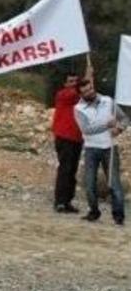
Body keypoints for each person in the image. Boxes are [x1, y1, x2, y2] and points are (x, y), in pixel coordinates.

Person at [74, 76, 128, 225]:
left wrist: (119, 128)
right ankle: (94, 212)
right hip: (91, 149)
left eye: (90, 88)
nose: (90, 92)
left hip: (109, 148)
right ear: (81, 94)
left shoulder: (108, 101)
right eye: (85, 91)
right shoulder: (78, 109)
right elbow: (86, 129)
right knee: (90, 184)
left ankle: (119, 216)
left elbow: (124, 119)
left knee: (114, 183)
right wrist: (107, 125)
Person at [52, 67, 88, 213]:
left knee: (72, 170)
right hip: (64, 137)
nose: (73, 83)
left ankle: (67, 201)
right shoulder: (63, 94)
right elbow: (78, 92)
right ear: (65, 84)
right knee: (65, 169)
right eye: (70, 81)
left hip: (77, 138)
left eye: (75, 81)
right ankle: (60, 201)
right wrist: (87, 76)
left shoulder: (78, 96)